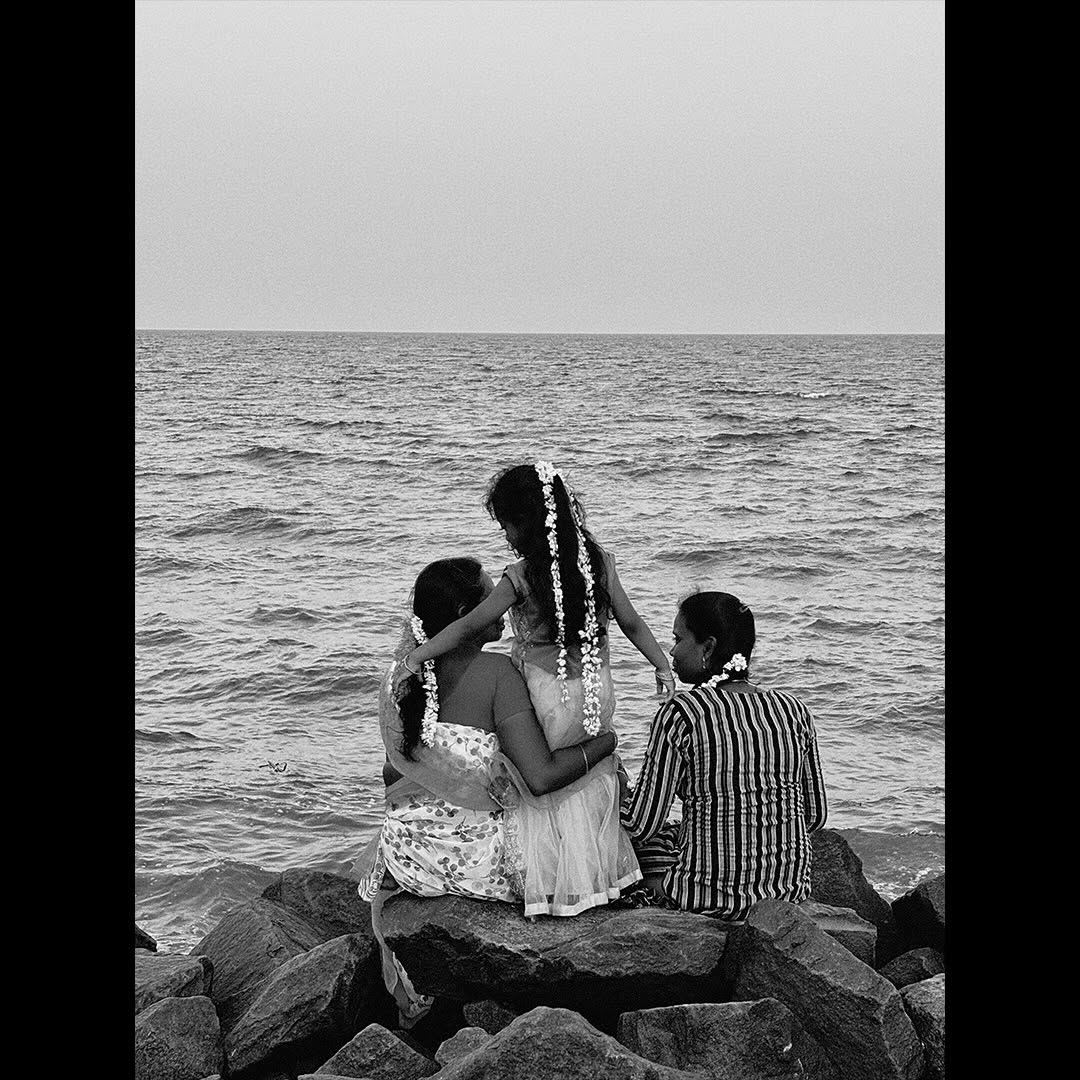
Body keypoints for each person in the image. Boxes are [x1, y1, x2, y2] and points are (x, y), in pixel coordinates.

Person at [395, 461, 674, 916]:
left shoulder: (520, 577)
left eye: (506, 523)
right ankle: (596, 875)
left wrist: (418, 655)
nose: (505, 534)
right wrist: (661, 665)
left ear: (526, 523)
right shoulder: (598, 563)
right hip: (594, 691)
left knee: (541, 786)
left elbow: (470, 624)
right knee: (587, 777)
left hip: (546, 693)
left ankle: (554, 878)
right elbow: (631, 622)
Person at [357, 556, 620, 1026]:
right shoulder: (496, 673)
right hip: (478, 861)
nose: (504, 605)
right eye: (489, 595)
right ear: (466, 614)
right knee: (576, 805)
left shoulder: (403, 676)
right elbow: (541, 777)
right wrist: (605, 745)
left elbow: (393, 775)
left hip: (409, 854)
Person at [620, 591, 828, 919]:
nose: (671, 651)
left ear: (708, 647)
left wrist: (615, 792)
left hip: (709, 896)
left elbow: (641, 824)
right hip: (786, 893)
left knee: (645, 847)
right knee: (675, 833)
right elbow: (814, 816)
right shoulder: (794, 710)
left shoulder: (683, 713)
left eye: (678, 639)